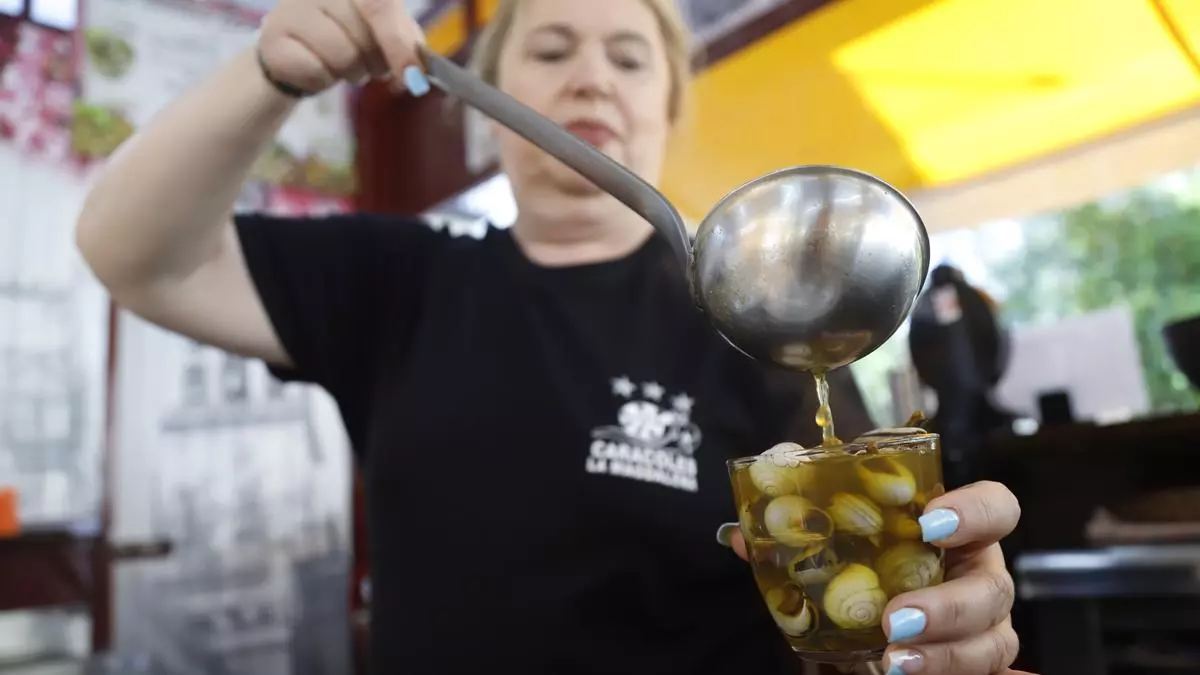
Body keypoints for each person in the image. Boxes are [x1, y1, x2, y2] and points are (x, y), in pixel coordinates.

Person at [74, 0, 1028, 673]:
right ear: (484, 104)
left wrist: (925, 622)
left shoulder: (760, 315)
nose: (588, 77)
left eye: (627, 56)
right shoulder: (401, 281)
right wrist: (269, 72)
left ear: (666, 105)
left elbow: (850, 585)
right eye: (551, 48)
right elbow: (134, 256)